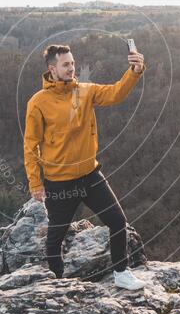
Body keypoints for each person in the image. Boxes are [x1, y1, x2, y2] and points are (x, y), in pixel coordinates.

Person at [23, 43, 147, 290]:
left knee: (117, 221)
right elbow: (30, 146)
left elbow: (115, 93)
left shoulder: (86, 91)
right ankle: (57, 284)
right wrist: (35, 183)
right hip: (59, 181)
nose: (71, 68)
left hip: (90, 175)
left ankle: (121, 273)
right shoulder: (38, 102)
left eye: (72, 63)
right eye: (65, 64)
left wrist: (134, 71)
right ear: (52, 68)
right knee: (55, 238)